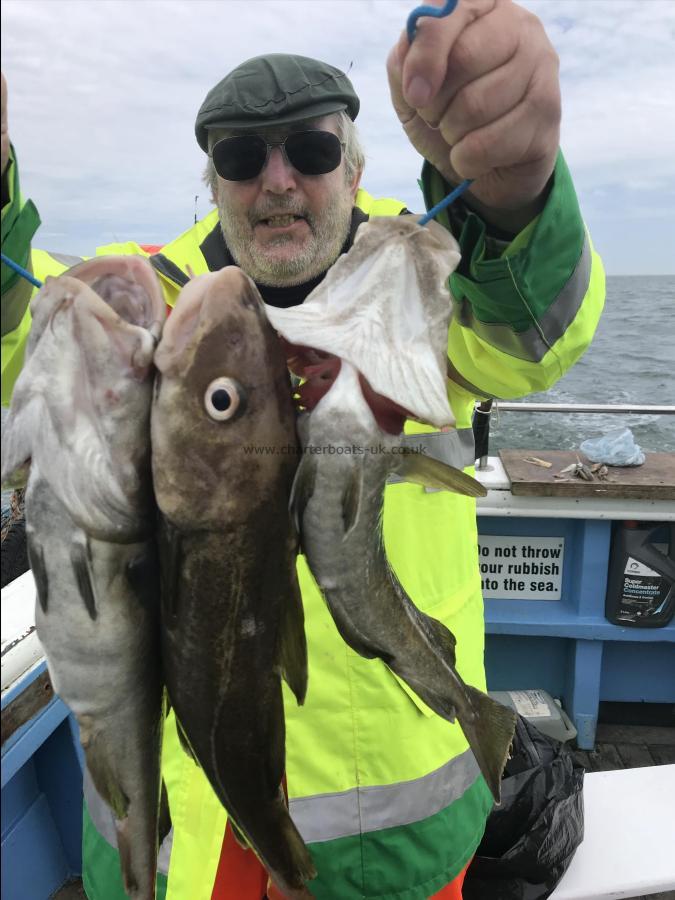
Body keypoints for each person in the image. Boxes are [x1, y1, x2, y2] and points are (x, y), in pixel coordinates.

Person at [0, 2, 605, 898]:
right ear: (211, 181)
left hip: (391, 828)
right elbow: (21, 340)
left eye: (310, 153)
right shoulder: (143, 299)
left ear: (355, 168)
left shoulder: (420, 269)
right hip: (185, 832)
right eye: (242, 158)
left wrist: (513, 197)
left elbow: (530, 337)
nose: (277, 180)